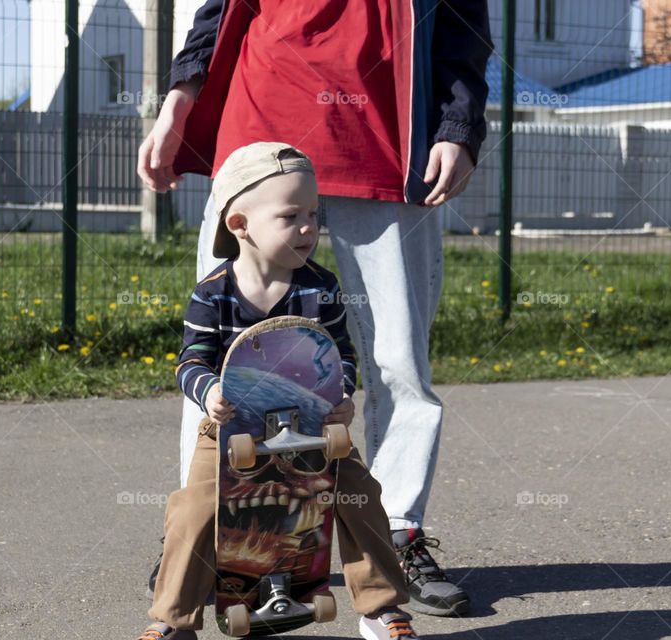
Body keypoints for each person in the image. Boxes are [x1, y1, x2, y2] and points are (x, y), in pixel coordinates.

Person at [138, 0, 493, 616]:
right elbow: (221, 9)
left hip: (388, 134)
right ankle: (210, 539)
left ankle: (397, 534)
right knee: (228, 362)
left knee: (396, 363)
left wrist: (459, 124)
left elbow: (460, 22)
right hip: (261, 129)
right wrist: (177, 103)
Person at [138, 142, 419, 640]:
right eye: (291, 215)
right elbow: (191, 361)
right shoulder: (213, 292)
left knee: (357, 493)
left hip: (311, 427)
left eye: (314, 213)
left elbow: (340, 355)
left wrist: (342, 396)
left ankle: (381, 608)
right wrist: (209, 393)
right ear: (239, 224)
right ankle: (173, 621)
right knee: (195, 506)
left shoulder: (321, 287)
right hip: (229, 431)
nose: (309, 227)